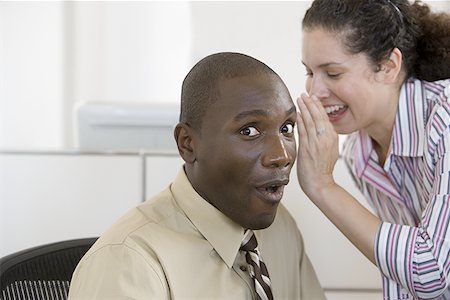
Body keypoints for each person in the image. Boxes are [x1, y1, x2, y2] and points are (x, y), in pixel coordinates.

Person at [68, 52, 325, 299]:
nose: (281, 155)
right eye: (249, 131)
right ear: (188, 144)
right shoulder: (130, 262)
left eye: (286, 128)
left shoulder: (282, 228)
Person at [296, 0, 450, 299]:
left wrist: (323, 187)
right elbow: (401, 270)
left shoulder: (445, 120)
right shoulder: (360, 153)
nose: (314, 91)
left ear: (389, 66)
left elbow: (432, 272)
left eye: (333, 73)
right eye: (310, 72)